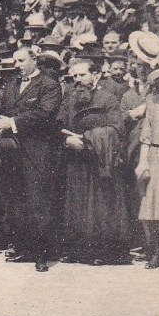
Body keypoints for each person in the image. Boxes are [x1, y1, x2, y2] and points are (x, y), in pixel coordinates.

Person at [0, 48, 62, 272]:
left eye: (22, 60)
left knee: (38, 203)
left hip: (37, 153)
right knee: (17, 202)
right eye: (15, 61)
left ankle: (42, 254)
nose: (17, 65)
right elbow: (2, 111)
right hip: (12, 152)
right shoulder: (11, 85)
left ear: (34, 61)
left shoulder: (49, 85)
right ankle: (24, 248)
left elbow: (45, 113)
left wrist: (11, 123)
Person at [56, 58, 129, 265]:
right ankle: (78, 250)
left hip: (100, 161)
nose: (77, 80)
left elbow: (117, 129)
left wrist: (91, 138)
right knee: (76, 203)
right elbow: (57, 125)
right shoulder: (69, 99)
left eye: (82, 75)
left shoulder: (108, 99)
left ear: (95, 75)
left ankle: (104, 251)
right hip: (75, 158)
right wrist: (67, 139)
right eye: (74, 76)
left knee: (101, 204)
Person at [135, 67, 159, 268]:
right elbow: (146, 133)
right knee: (149, 209)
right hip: (155, 155)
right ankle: (153, 249)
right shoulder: (152, 102)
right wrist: (143, 161)